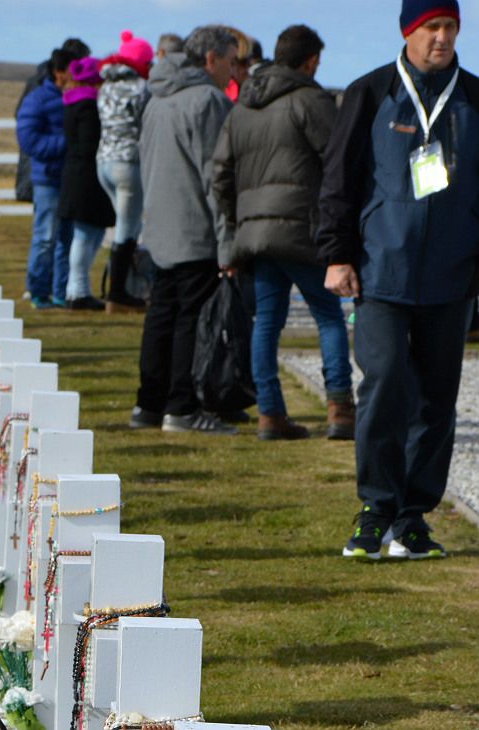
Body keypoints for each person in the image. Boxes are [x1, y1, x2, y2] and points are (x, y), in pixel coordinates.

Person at [318, 0, 478, 560]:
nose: (442, 37)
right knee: (384, 385)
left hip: (452, 279)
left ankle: (413, 517)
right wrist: (337, 254)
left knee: (437, 400)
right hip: (379, 274)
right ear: (408, 31)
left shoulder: (474, 97)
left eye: (451, 27)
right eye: (431, 27)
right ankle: (375, 508)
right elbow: (338, 179)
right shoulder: (369, 92)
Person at [211, 25, 353, 442]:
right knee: (328, 318)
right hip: (304, 229)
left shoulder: (243, 106)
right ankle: (340, 409)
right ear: (309, 61)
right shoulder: (311, 100)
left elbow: (219, 173)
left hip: (255, 233)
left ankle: (270, 414)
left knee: (266, 323)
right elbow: (338, 164)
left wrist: (237, 221)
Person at [130, 25, 237, 435]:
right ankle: (181, 406)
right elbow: (217, 175)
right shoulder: (207, 101)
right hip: (194, 228)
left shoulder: (157, 98)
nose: (232, 72)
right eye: (229, 62)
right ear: (210, 59)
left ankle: (148, 404)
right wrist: (227, 241)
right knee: (189, 319)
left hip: (159, 227)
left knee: (161, 316)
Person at [17, 42, 88, 309]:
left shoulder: (76, 96)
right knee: (45, 238)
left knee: (66, 239)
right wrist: (67, 145)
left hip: (69, 178)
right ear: (59, 72)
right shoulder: (37, 99)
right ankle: (37, 291)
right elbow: (28, 140)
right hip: (48, 178)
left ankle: (60, 291)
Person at [96, 30, 154, 312]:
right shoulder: (142, 88)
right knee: (127, 227)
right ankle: (119, 293)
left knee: (123, 224)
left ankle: (120, 286)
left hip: (104, 161)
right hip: (128, 163)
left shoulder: (105, 86)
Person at [58, 56, 114, 310]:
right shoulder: (89, 108)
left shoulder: (72, 104)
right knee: (85, 234)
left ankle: (76, 288)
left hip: (77, 174)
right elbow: (91, 143)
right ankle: (78, 290)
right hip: (87, 177)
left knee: (87, 233)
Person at [14, 38, 90, 205]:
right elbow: (27, 132)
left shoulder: (40, 84)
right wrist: (67, 142)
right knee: (47, 223)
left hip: (61, 172)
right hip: (47, 171)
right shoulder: (40, 94)